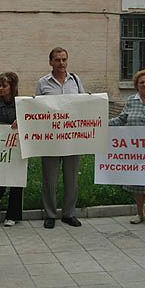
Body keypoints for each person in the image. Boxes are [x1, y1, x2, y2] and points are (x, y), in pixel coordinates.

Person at [109, 70, 145, 226]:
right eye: (141, 82)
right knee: (136, 183)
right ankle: (140, 214)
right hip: (134, 151)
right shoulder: (131, 101)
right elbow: (122, 119)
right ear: (136, 85)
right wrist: (103, 124)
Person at [35, 47, 84, 229]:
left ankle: (69, 213)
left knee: (71, 178)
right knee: (50, 178)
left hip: (72, 137)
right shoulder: (43, 83)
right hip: (51, 138)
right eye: (57, 60)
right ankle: (50, 214)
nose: (61, 63)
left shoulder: (76, 81)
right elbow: (36, 108)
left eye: (64, 59)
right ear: (51, 62)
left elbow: (84, 104)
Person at [0, 72, 23, 227]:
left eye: (4, 86)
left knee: (16, 182)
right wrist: (9, 127)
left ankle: (12, 215)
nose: (1, 89)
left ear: (12, 86)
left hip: (18, 148)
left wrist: (21, 122)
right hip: (0, 148)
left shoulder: (22, 103)